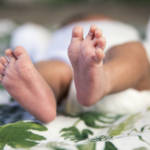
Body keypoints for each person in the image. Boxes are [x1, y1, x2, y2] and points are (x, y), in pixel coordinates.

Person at [0, 15, 149, 123]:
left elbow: (29, 33)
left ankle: (102, 80)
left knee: (52, 67)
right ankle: (45, 99)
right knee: (134, 52)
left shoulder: (126, 30)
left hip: (122, 84)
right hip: (120, 89)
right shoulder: (54, 35)